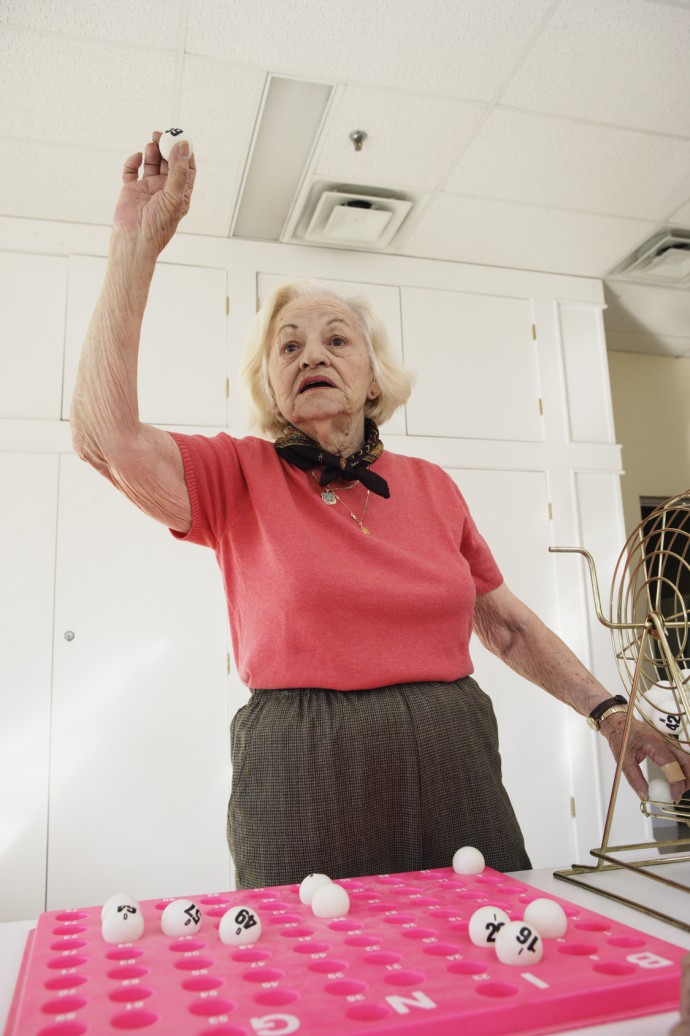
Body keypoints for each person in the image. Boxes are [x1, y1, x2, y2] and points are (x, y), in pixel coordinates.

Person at [70, 131, 690, 890]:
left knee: (486, 950)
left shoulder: (431, 485)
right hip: (299, 766)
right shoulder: (239, 473)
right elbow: (103, 438)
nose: (310, 354)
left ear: (372, 381)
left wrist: (609, 712)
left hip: (454, 754)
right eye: (287, 346)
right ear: (271, 385)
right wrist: (135, 246)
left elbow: (503, 624)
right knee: (312, 977)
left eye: (336, 340)